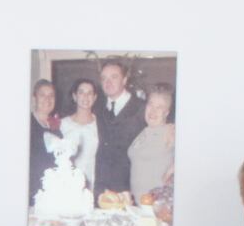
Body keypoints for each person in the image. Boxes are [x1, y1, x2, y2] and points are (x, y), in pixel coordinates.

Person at [92, 60, 148, 197]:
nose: (108, 82)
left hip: (130, 189)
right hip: (102, 189)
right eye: (104, 78)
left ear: (124, 80)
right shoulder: (97, 108)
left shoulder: (142, 108)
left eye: (114, 77)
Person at [127, 84, 175, 200]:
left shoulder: (171, 131)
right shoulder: (143, 132)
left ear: (166, 112)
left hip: (159, 206)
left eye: (159, 107)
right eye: (150, 104)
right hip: (138, 205)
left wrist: (174, 167)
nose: (153, 110)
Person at [58, 78, 99, 190]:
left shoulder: (100, 124)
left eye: (89, 93)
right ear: (75, 96)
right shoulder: (62, 124)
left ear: (95, 97)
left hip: (94, 184)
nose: (85, 97)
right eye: (81, 92)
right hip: (68, 184)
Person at [30, 79, 61, 195]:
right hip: (32, 189)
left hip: (52, 190)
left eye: (51, 95)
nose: (47, 99)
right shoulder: (27, 124)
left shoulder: (55, 126)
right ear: (34, 98)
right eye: (42, 95)